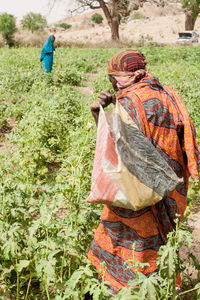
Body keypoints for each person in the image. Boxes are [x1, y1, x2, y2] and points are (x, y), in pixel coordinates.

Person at [88, 49, 200, 295]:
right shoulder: (169, 94)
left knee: (127, 244)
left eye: (114, 77)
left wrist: (99, 113)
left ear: (125, 75)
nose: (113, 83)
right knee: (163, 245)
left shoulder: (129, 102)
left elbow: (115, 148)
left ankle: (122, 289)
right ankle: (160, 288)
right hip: (171, 187)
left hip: (137, 188)